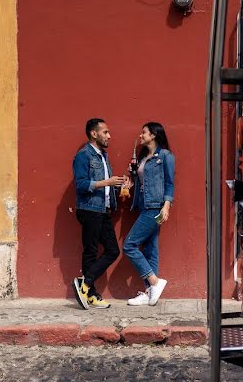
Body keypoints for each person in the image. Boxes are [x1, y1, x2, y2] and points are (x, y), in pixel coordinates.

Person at [71, 118, 127, 310]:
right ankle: (91, 294)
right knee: (91, 252)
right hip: (89, 209)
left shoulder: (103, 156)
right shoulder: (83, 155)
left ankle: (85, 285)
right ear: (94, 134)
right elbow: (80, 185)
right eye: (105, 132)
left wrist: (120, 186)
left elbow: (106, 185)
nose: (109, 136)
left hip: (103, 209)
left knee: (113, 250)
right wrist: (107, 182)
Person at [123, 122, 175, 306]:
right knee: (151, 249)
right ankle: (149, 292)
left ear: (153, 135)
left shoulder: (165, 156)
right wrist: (131, 181)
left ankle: (154, 282)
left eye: (144, 132)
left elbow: (170, 183)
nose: (141, 135)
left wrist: (166, 206)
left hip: (155, 206)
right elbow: (142, 182)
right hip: (143, 205)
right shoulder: (144, 157)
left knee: (129, 246)